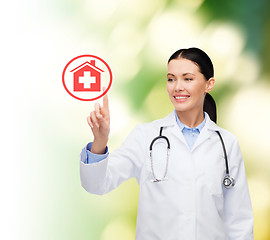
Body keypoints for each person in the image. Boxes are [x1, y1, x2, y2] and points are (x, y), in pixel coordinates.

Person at [80, 47, 254, 240]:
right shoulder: (145, 136)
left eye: (187, 78)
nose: (177, 87)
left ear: (208, 84)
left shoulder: (226, 143)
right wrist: (100, 140)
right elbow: (96, 184)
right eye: (171, 79)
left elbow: (239, 220)